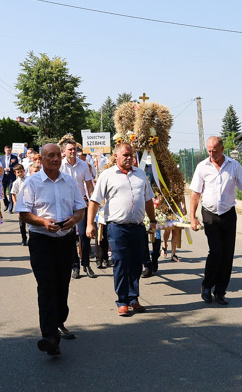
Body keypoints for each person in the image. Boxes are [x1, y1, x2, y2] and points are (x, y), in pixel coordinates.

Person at [15, 144, 86, 356]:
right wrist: (43, 222)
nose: (56, 159)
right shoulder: (32, 182)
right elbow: (23, 213)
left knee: (62, 283)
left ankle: (59, 319)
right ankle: (49, 337)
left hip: (65, 239)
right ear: (41, 159)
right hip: (41, 239)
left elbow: (80, 208)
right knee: (46, 285)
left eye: (58, 155)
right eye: (51, 156)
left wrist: (74, 219)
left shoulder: (69, 181)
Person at [188, 136, 242, 305]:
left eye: (214, 151)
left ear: (222, 149)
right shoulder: (202, 167)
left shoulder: (233, 166)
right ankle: (207, 286)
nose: (211, 154)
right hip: (210, 215)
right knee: (216, 251)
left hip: (228, 214)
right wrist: (192, 217)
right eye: (209, 150)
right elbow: (195, 194)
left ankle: (220, 291)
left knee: (227, 254)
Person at [87, 142, 157, 316]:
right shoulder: (107, 175)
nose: (129, 158)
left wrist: (153, 220)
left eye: (131, 155)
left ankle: (133, 298)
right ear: (116, 156)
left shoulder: (140, 174)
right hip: (117, 227)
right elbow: (95, 201)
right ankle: (122, 300)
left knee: (135, 264)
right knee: (121, 262)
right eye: (125, 155)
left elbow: (148, 199)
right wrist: (90, 224)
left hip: (138, 227)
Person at [59, 136, 94, 280]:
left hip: (81, 204)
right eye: (70, 149)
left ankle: (86, 263)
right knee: (71, 235)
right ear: (64, 151)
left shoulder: (83, 165)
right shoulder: (60, 166)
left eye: (75, 149)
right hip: (66, 205)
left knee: (85, 236)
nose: (73, 152)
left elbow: (90, 186)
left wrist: (93, 202)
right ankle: (75, 266)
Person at [10, 163, 29, 246]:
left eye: (21, 171)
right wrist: (15, 204)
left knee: (31, 223)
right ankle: (24, 239)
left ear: (24, 171)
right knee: (22, 223)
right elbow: (13, 193)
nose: (20, 174)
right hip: (21, 204)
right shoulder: (16, 183)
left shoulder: (29, 179)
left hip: (29, 203)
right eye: (18, 172)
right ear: (15, 173)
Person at [0, 145, 19, 213]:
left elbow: (17, 166)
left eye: (10, 150)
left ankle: (10, 208)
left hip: (11, 176)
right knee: (2, 192)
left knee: (11, 192)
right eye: (7, 150)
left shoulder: (14, 157)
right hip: (4, 176)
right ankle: (6, 203)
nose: (9, 152)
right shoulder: (1, 158)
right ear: (5, 150)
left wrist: (10, 169)